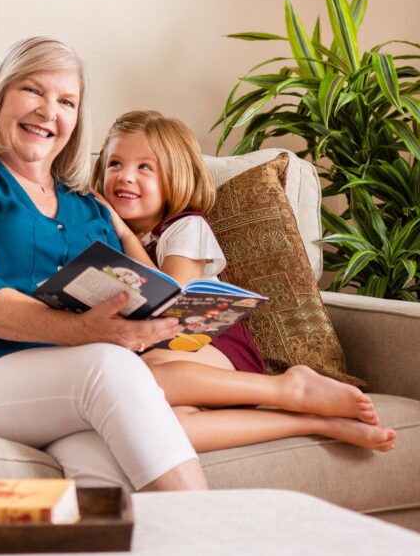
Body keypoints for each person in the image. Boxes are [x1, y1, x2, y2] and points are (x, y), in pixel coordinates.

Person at [0, 37, 207, 491]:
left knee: (112, 485)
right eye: (32, 91)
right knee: (109, 368)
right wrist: (88, 332)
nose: (48, 111)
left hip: (54, 391)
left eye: (66, 101)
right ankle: (214, 534)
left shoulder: (89, 209)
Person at [90, 110, 397, 453]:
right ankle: (315, 422)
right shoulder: (103, 238)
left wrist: (122, 232)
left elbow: (167, 300)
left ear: (176, 177)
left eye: (144, 167)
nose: (125, 177)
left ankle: (285, 388)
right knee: (166, 431)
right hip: (165, 358)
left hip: (214, 347)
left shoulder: (184, 227)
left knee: (142, 376)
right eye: (114, 164)